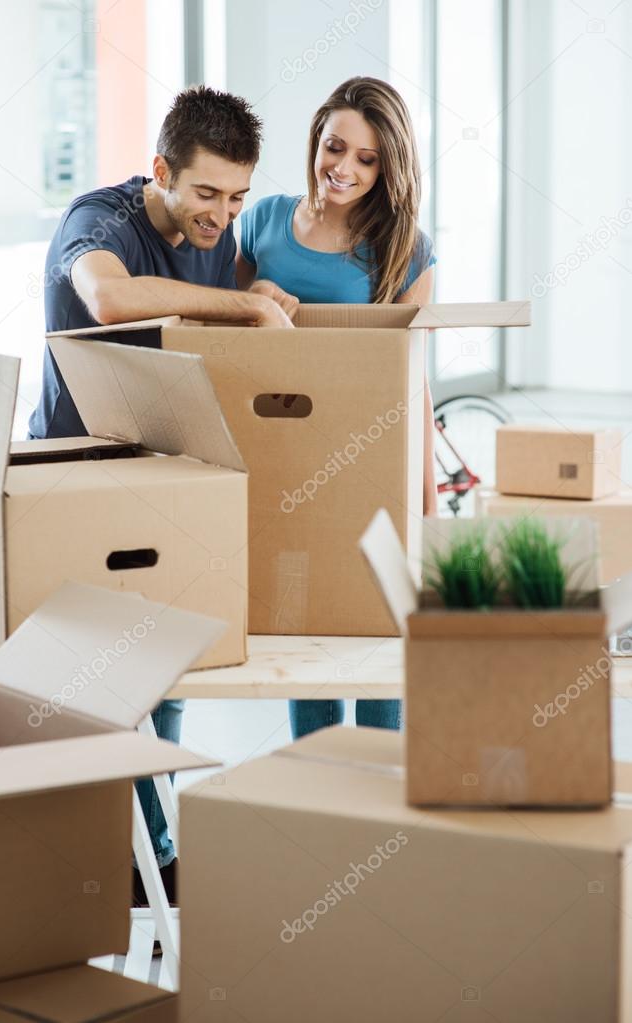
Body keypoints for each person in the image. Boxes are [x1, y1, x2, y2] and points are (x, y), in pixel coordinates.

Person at [28, 86, 294, 907]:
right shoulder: (99, 221)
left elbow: (238, 306)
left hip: (163, 469)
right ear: (161, 172)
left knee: (165, 665)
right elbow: (108, 298)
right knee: (96, 680)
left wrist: (267, 300)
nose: (221, 215)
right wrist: (244, 304)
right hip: (73, 477)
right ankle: (111, 862)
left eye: (237, 197)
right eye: (206, 193)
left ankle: (156, 854)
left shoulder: (218, 238)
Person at [236, 76, 437, 741]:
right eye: (334, 146)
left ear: (387, 167)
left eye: (367, 158)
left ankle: (376, 791)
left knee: (382, 628)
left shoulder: (406, 245)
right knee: (306, 626)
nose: (343, 168)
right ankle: (318, 778)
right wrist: (256, 292)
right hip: (287, 458)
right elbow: (230, 345)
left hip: (375, 458)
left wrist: (427, 500)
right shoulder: (263, 222)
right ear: (316, 138)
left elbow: (416, 379)